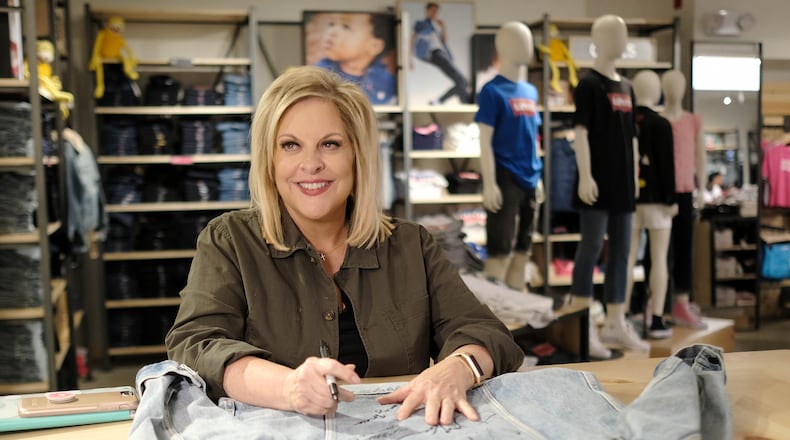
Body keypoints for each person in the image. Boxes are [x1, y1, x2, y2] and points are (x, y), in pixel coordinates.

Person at [165, 65, 524, 426]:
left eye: (330, 144)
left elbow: (489, 335)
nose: (311, 164)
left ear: (357, 155)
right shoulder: (230, 241)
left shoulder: (411, 244)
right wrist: (288, 386)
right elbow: (196, 344)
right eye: (290, 145)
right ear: (270, 161)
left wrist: (458, 368)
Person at [570, 15, 649, 359]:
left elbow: (631, 137)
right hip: (597, 182)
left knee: (622, 252)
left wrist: (634, 178)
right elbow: (581, 133)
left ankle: (616, 319)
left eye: (623, 32)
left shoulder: (627, 87)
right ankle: (583, 324)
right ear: (597, 40)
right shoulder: (589, 84)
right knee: (590, 249)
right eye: (614, 32)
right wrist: (585, 175)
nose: (621, 37)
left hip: (623, 183)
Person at [475, 21, 542, 290]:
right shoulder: (492, 91)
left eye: (529, 40)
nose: (528, 47)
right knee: (500, 248)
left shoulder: (530, 91)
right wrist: (489, 183)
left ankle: (518, 308)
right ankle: (493, 317)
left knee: (523, 248)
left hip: (531, 176)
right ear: (503, 46)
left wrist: (540, 177)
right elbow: (484, 140)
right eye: (521, 41)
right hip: (505, 176)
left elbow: (532, 137)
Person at [625, 70, 677, 339]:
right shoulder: (661, 124)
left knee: (627, 259)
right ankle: (656, 319)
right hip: (657, 201)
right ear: (656, 91)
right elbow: (668, 164)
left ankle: (623, 316)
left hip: (630, 201)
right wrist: (672, 198)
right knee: (659, 259)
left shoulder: (627, 120)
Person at [660, 69, 709, 329]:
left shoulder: (693, 121)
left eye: (678, 85)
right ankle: (655, 304)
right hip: (661, 193)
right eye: (669, 85)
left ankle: (681, 302)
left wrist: (701, 189)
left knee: (683, 248)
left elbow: (700, 155)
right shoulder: (656, 120)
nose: (674, 90)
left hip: (686, 190)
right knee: (657, 252)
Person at [313, 12, 396, 105]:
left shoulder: (386, 81)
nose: (332, 32)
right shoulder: (318, 73)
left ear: (375, 46)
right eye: (331, 24)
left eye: (346, 26)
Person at [410, 2, 470, 104]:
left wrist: (443, 27)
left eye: (436, 11)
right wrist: (410, 58)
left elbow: (444, 41)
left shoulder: (436, 26)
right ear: (427, 11)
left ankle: (440, 101)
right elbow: (412, 39)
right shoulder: (421, 24)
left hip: (442, 53)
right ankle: (445, 101)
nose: (434, 13)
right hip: (434, 53)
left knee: (461, 82)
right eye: (432, 10)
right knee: (462, 81)